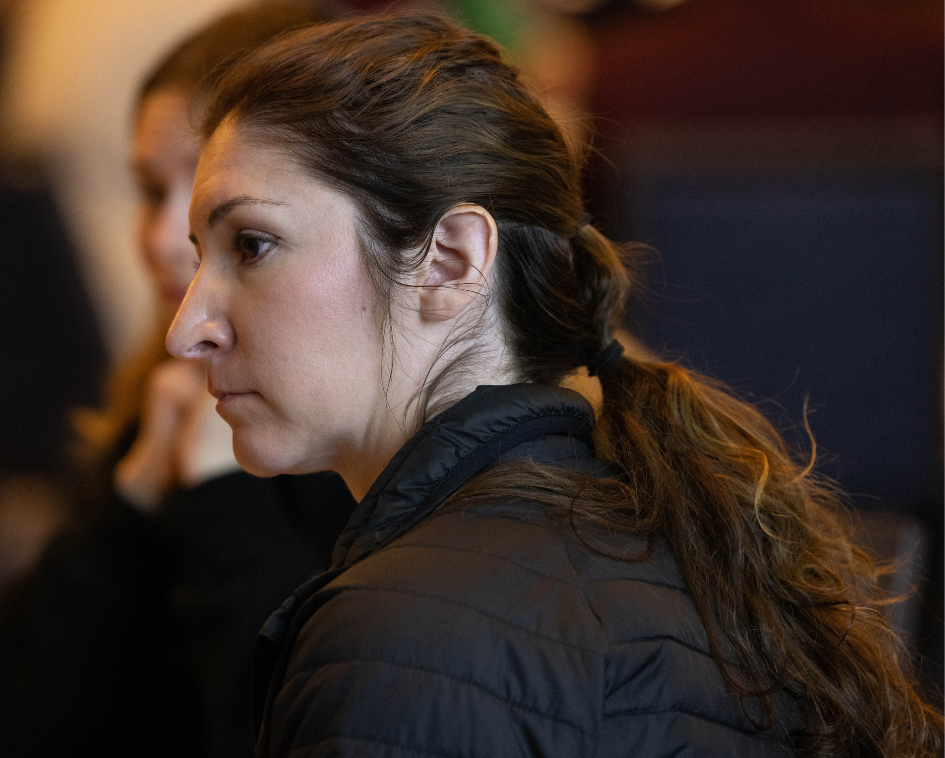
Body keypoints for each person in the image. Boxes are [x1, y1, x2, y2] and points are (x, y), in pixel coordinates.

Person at [166, 12, 944, 757]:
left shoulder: (405, 633)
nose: (187, 326)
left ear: (452, 261)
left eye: (254, 245)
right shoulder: (674, 543)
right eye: (201, 254)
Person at [0, 5, 354, 758]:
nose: (166, 241)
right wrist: (127, 508)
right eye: (149, 191)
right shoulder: (172, 389)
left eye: (230, 218)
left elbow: (282, 734)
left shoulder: (362, 454)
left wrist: (225, 497)